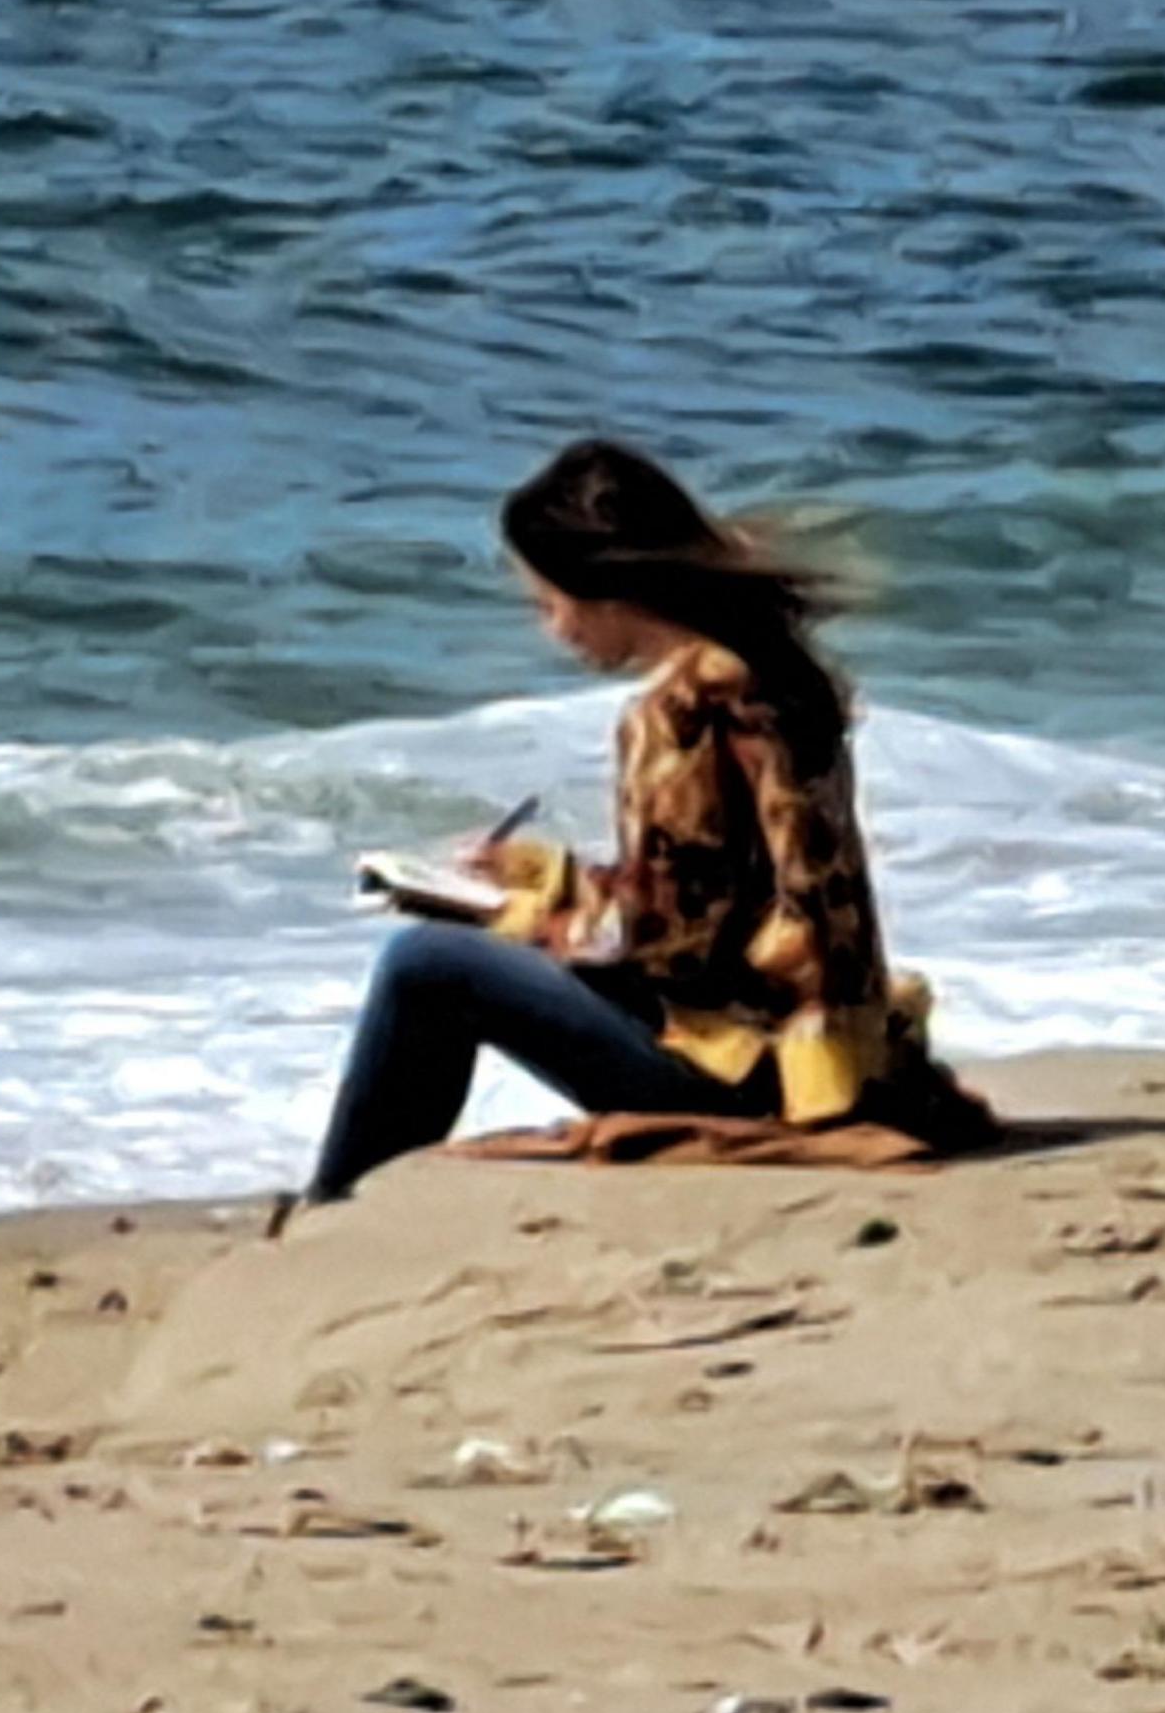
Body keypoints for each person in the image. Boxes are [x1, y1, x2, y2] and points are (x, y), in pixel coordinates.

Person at [302, 439, 991, 1205]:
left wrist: (512, 917)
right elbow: (724, 899)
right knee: (450, 958)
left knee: (426, 963)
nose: (553, 631)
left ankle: (335, 1202)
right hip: (835, 1058)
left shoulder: (679, 713)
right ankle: (347, 1198)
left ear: (603, 588)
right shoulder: (773, 672)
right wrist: (550, 877)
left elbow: (669, 952)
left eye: (548, 605)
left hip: (741, 1075)